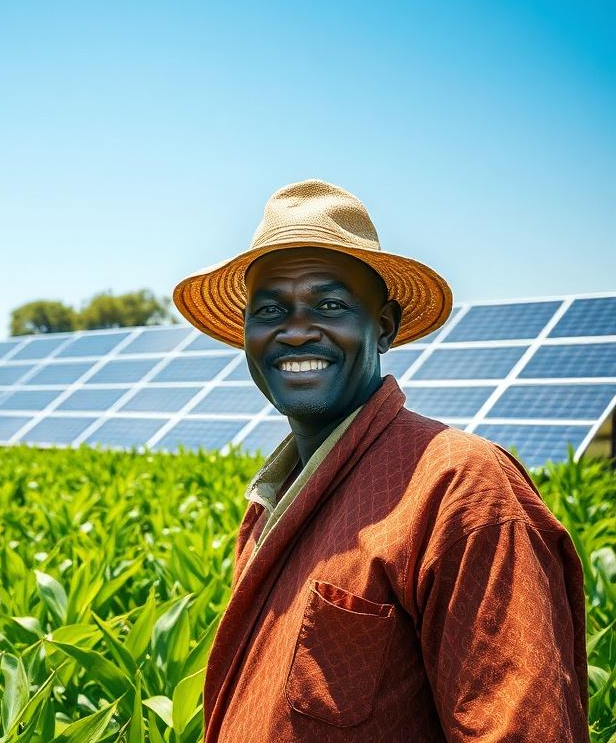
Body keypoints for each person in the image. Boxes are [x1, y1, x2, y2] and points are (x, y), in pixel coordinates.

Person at [171, 179, 588, 742]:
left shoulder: (461, 487)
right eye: (270, 309)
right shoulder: (273, 498)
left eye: (330, 305)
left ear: (384, 326)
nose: (296, 331)